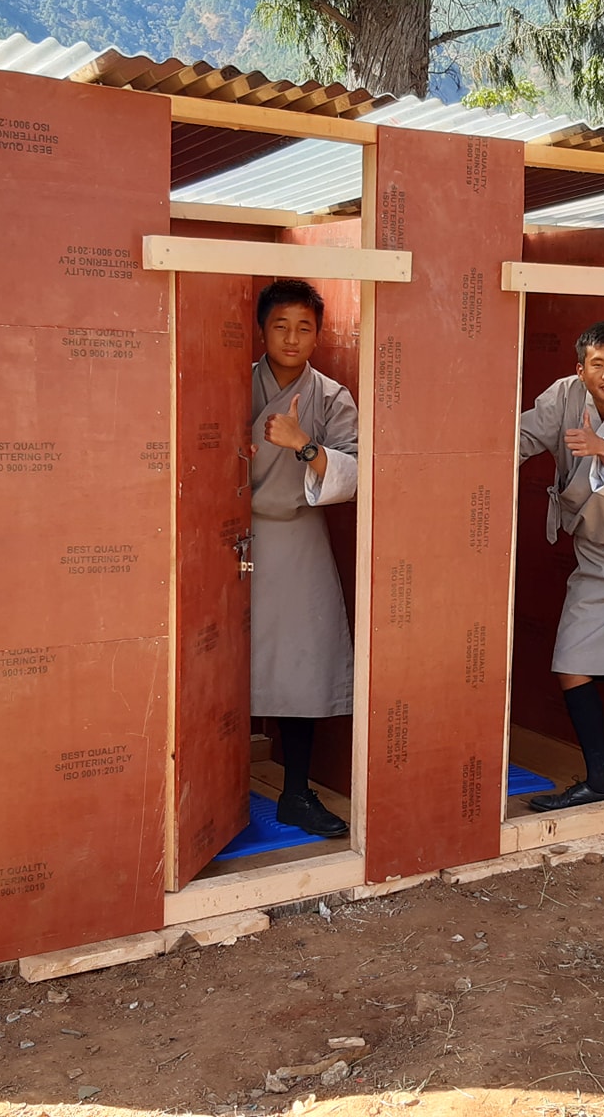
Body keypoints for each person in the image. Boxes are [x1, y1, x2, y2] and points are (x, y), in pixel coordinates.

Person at [516, 320, 604, 811]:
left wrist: (603, 449)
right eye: (597, 364)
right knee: (572, 660)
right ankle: (598, 777)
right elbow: (524, 435)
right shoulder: (564, 396)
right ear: (581, 368)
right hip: (595, 554)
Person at [245, 280, 359, 838]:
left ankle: (294, 793)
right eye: (280, 325)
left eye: (304, 327)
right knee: (225, 663)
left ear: (318, 334)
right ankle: (218, 793)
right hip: (235, 537)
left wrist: (302, 443)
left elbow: (353, 474)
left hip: (301, 539)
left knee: (302, 663)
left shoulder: (333, 396)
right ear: (261, 329)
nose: (292, 338)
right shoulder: (234, 382)